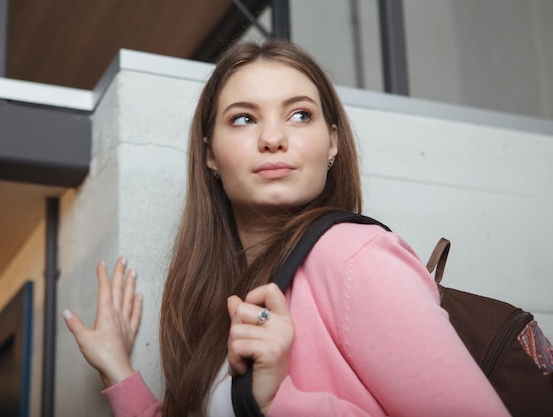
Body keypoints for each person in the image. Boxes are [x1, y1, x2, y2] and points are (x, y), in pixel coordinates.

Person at [63, 39, 511, 417]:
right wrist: (117, 371)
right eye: (244, 118)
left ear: (332, 142)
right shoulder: (227, 299)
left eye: (299, 115)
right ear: (210, 154)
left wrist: (278, 401)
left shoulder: (355, 256)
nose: (273, 138)